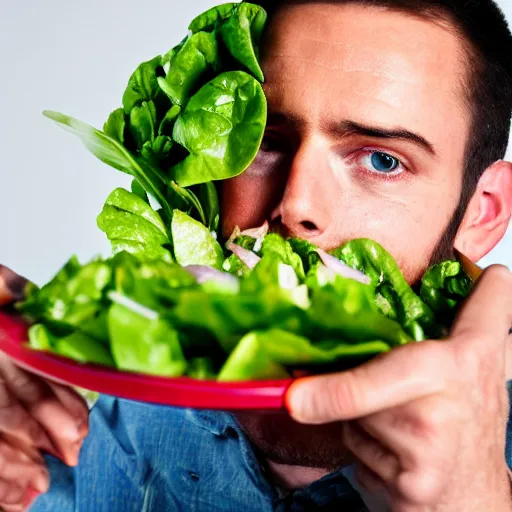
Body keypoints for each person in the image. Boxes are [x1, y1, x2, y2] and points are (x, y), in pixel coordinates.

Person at [0, 0, 512, 509]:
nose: (297, 206)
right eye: (261, 141)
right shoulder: (84, 422)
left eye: (382, 160)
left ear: (481, 214)